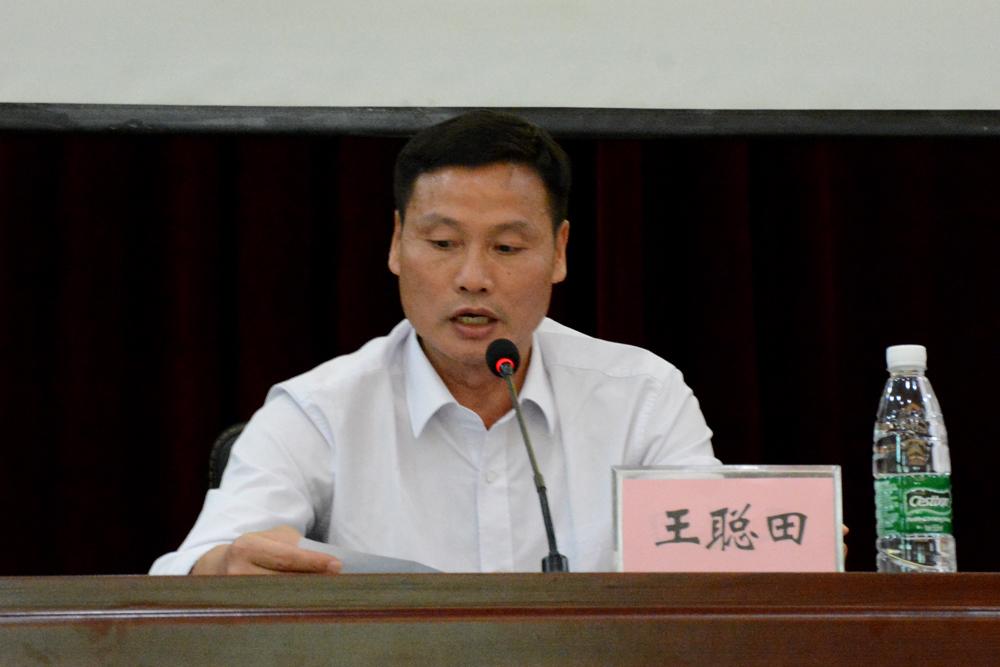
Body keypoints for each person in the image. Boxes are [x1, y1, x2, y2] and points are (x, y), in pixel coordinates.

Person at [150, 110, 718, 576]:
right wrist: (223, 568)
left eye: (507, 248)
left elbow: (718, 573)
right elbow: (190, 572)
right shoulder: (320, 411)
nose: (473, 278)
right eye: (443, 242)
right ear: (397, 242)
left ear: (560, 252)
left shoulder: (643, 400)